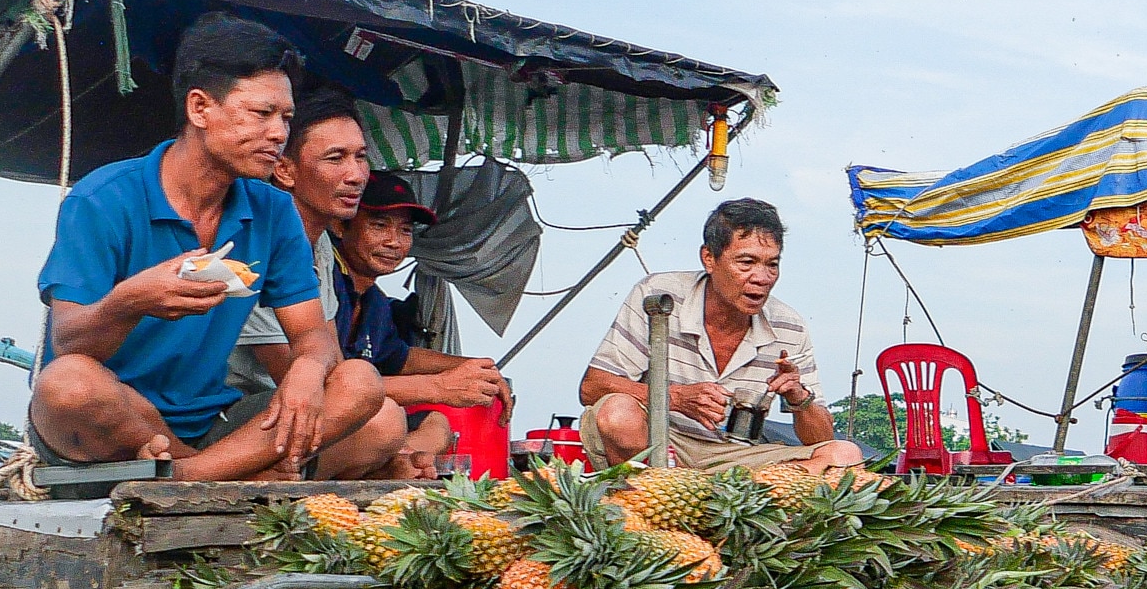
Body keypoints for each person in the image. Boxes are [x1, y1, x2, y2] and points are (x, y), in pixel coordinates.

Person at [28, 14, 392, 479]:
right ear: (200, 109)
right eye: (261, 114)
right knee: (67, 386)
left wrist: (307, 368)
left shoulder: (274, 211)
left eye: (286, 118)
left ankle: (186, 477)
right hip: (113, 421)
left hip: (214, 422)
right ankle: (231, 473)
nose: (279, 133)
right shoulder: (102, 199)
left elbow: (311, 336)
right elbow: (70, 341)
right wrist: (130, 300)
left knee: (359, 384)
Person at [577, 199, 867, 474]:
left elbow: (819, 438)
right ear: (709, 258)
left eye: (772, 264)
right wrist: (677, 399)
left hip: (738, 457)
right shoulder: (659, 297)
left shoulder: (790, 326)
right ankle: (649, 497)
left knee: (845, 456)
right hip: (661, 442)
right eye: (746, 262)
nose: (762, 278)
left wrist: (798, 397)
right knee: (617, 414)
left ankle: (727, 498)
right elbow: (592, 388)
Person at [218, 89, 412, 478]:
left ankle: (267, 472)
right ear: (286, 170)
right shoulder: (253, 240)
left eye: (360, 157)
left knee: (386, 417)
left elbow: (334, 368)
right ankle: (223, 473)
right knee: (384, 421)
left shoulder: (321, 246)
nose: (356, 175)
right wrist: (440, 389)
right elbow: (288, 371)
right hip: (227, 411)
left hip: (282, 412)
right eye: (335, 158)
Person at [319, 169, 516, 474]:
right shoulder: (324, 279)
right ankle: (388, 459)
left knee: (437, 424)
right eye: (379, 226)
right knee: (386, 419)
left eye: (405, 231)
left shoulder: (374, 299)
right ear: (340, 226)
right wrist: (439, 386)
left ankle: (397, 459)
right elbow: (332, 386)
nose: (394, 242)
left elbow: (401, 357)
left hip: (358, 426)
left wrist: (476, 366)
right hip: (303, 415)